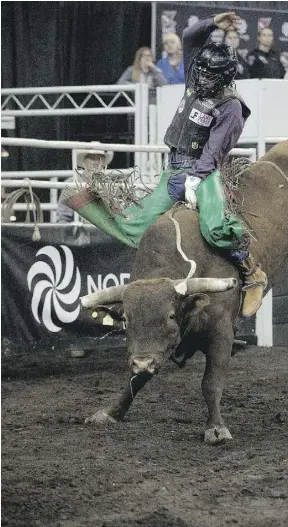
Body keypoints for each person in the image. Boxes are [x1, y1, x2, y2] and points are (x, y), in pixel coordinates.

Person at [64, 12, 267, 317]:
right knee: (136, 228)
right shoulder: (197, 75)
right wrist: (213, 22)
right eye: (202, 73)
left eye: (212, 76)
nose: (204, 79)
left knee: (215, 227)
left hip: (203, 171)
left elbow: (216, 147)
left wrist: (196, 179)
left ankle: (252, 273)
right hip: (173, 168)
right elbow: (189, 37)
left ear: (224, 77)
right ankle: (90, 202)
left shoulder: (231, 106)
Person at [56, 146, 113, 223]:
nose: (96, 163)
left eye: (99, 159)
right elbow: (63, 217)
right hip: (80, 231)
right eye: (92, 158)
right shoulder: (72, 183)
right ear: (84, 161)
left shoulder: (109, 185)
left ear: (103, 163)